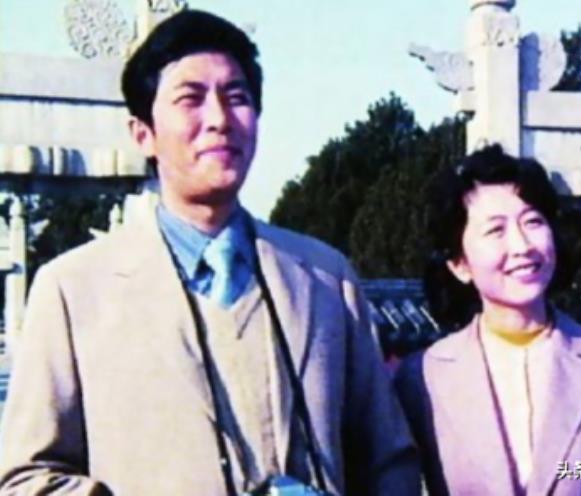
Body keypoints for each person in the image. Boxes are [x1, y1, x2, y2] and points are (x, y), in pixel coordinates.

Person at [0, 10, 420, 496]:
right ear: (143, 134)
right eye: (191, 99)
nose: (219, 119)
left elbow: (388, 460)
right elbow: (26, 478)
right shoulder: (73, 291)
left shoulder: (326, 278)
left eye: (236, 97)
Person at [395, 144, 581, 495]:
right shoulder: (424, 377)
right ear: (460, 264)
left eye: (533, 222)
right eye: (496, 230)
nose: (522, 246)